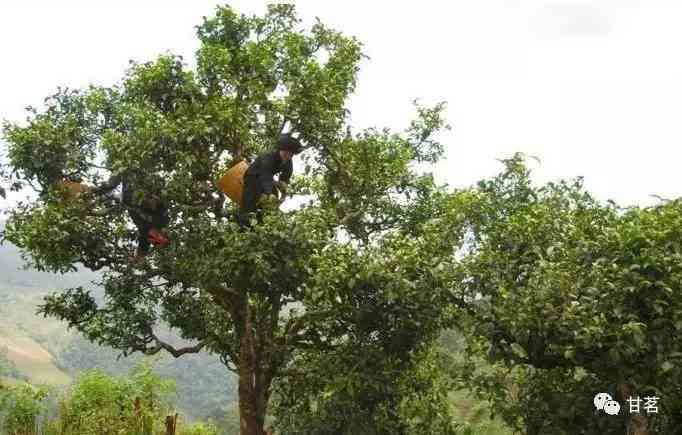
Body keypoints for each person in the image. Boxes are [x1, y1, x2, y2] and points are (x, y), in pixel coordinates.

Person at [91, 171, 170, 258]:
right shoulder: (163, 220)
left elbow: (142, 250)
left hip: (127, 201)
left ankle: (91, 202)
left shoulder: (145, 234)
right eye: (159, 236)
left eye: (154, 241)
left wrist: (136, 259)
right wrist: (153, 199)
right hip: (137, 192)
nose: (154, 236)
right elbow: (161, 203)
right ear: (162, 233)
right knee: (118, 177)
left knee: (107, 203)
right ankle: (94, 191)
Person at [238, 133, 303, 227]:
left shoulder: (288, 161)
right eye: (286, 154)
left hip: (267, 180)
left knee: (273, 201)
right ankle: (244, 224)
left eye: (291, 155)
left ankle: (262, 224)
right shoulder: (268, 157)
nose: (288, 156)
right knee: (250, 204)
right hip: (253, 177)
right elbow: (265, 176)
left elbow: (286, 175)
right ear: (281, 150)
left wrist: (284, 187)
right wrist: (268, 193)